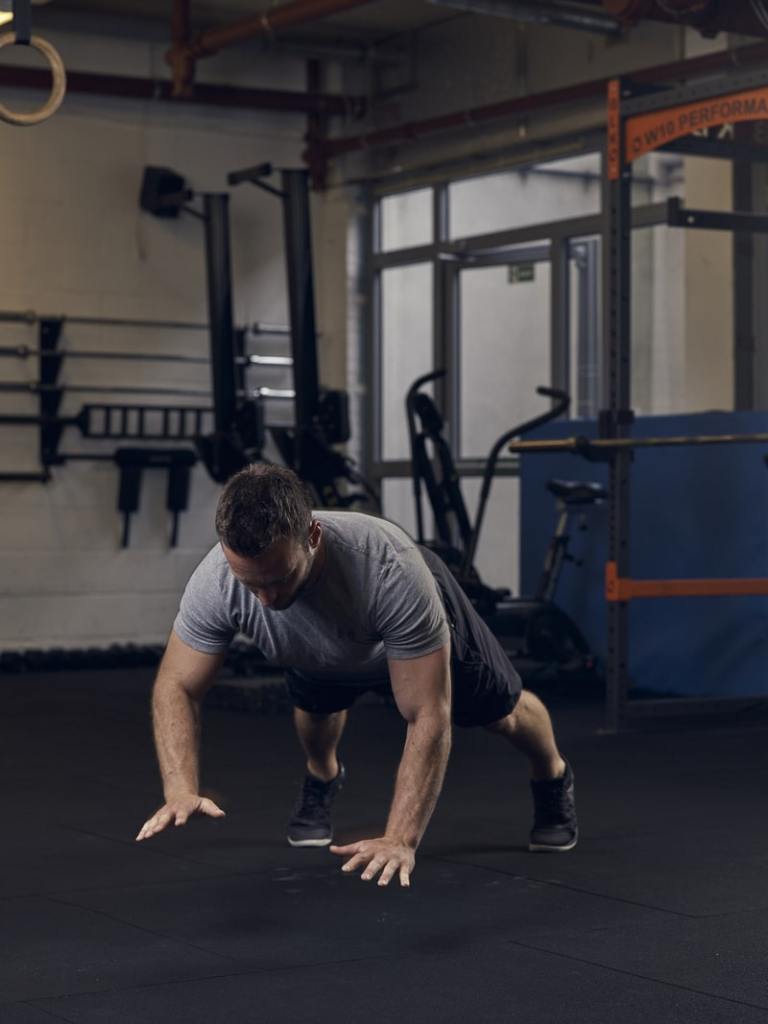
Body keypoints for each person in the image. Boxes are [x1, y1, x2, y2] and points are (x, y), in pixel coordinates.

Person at [136, 463, 577, 887]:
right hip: (319, 643)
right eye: (252, 585)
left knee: (503, 715)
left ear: (312, 535)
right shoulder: (216, 581)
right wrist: (179, 789)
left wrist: (400, 839)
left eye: (280, 579)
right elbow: (177, 684)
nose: (267, 600)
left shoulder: (391, 570)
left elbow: (426, 714)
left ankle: (552, 772)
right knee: (314, 711)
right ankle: (323, 775)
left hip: (410, 633)